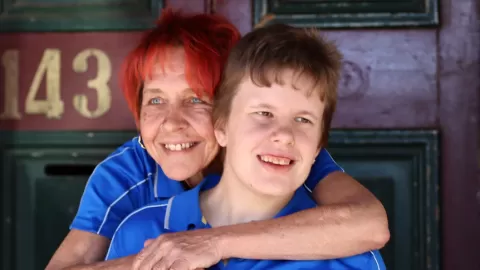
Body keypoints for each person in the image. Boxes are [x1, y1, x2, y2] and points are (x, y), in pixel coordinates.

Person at [46, 9, 389, 270]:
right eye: (155, 100)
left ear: (223, 110)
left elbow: (368, 224)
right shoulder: (129, 174)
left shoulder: (282, 152)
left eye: (196, 99)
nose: (171, 123)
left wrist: (213, 244)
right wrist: (165, 258)